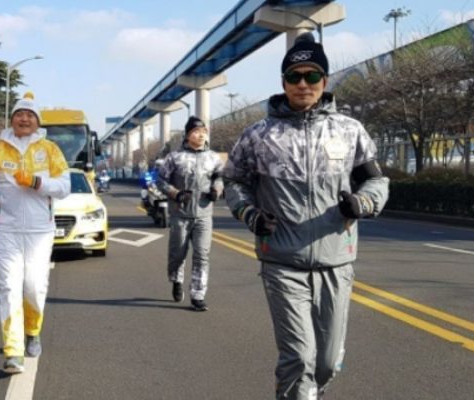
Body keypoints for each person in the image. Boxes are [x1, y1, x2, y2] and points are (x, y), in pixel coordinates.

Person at [223, 33, 389, 399]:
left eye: (312, 76)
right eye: (295, 76)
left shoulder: (350, 131)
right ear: (283, 82)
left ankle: (311, 392)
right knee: (299, 356)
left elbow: (376, 181)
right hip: (281, 260)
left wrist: (362, 203)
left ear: (325, 81)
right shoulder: (258, 136)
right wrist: (250, 213)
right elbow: (233, 182)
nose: (303, 84)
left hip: (337, 259)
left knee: (326, 362)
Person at [0, 93, 71, 374]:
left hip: (39, 231)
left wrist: (36, 182)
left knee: (34, 287)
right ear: (12, 119)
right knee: (9, 288)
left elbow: (64, 185)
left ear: (37, 122)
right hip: (8, 229)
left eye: (30, 115)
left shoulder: (49, 149)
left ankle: (32, 330)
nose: (24, 119)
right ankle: (13, 351)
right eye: (19, 114)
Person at [155, 116, 224, 311]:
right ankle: (177, 280)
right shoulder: (174, 157)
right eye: (196, 131)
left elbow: (219, 178)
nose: (200, 134)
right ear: (188, 135)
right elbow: (160, 181)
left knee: (202, 255)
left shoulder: (213, 157)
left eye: (203, 131)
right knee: (178, 254)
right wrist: (175, 194)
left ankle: (197, 294)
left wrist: (216, 190)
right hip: (180, 214)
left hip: (204, 215)